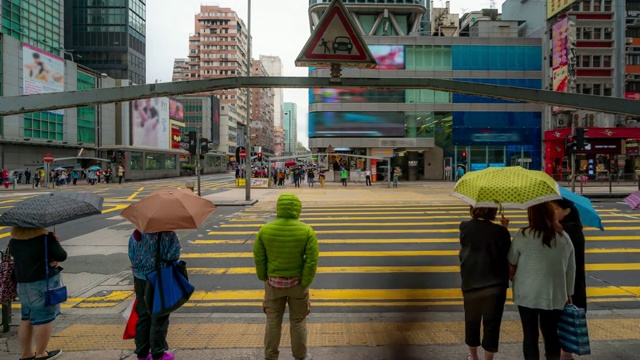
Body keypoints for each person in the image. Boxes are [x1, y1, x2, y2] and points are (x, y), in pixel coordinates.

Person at [253, 194, 319, 360]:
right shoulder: (307, 230)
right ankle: (300, 355)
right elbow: (312, 261)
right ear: (297, 208)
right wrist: (306, 281)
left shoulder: (265, 230)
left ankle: (271, 355)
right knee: (298, 321)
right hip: (298, 284)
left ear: (278, 208)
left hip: (273, 283)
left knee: (273, 320)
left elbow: (259, 257)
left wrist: (264, 277)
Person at [508, 202, 576, 360]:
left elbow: (512, 259)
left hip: (526, 293)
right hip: (555, 294)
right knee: (551, 333)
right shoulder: (563, 237)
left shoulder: (523, 234)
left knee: (530, 335)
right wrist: (569, 292)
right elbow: (571, 268)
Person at [459, 207, 511, 360]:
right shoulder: (500, 232)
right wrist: (504, 228)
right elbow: (507, 252)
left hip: (471, 280)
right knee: (492, 322)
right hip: (495, 283)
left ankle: (473, 356)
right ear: (493, 212)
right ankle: (488, 358)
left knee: (472, 319)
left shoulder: (465, 227)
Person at [9, 227, 66, 360]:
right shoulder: (45, 239)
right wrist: (54, 241)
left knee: (26, 319)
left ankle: (26, 354)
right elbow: (62, 256)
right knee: (45, 319)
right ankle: (41, 354)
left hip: (23, 285)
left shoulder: (14, 242)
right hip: (42, 284)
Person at [128, 230, 181, 360]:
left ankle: (142, 353)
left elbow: (132, 256)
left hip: (140, 279)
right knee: (160, 315)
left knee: (143, 316)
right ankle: (158, 353)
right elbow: (174, 256)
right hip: (161, 279)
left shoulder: (136, 234)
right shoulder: (169, 235)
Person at [551, 199, 586, 360]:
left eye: (555, 209)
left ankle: (565, 356)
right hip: (572, 284)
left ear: (567, 211)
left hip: (567, 287)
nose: (553, 212)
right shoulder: (573, 229)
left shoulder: (566, 232)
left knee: (561, 325)